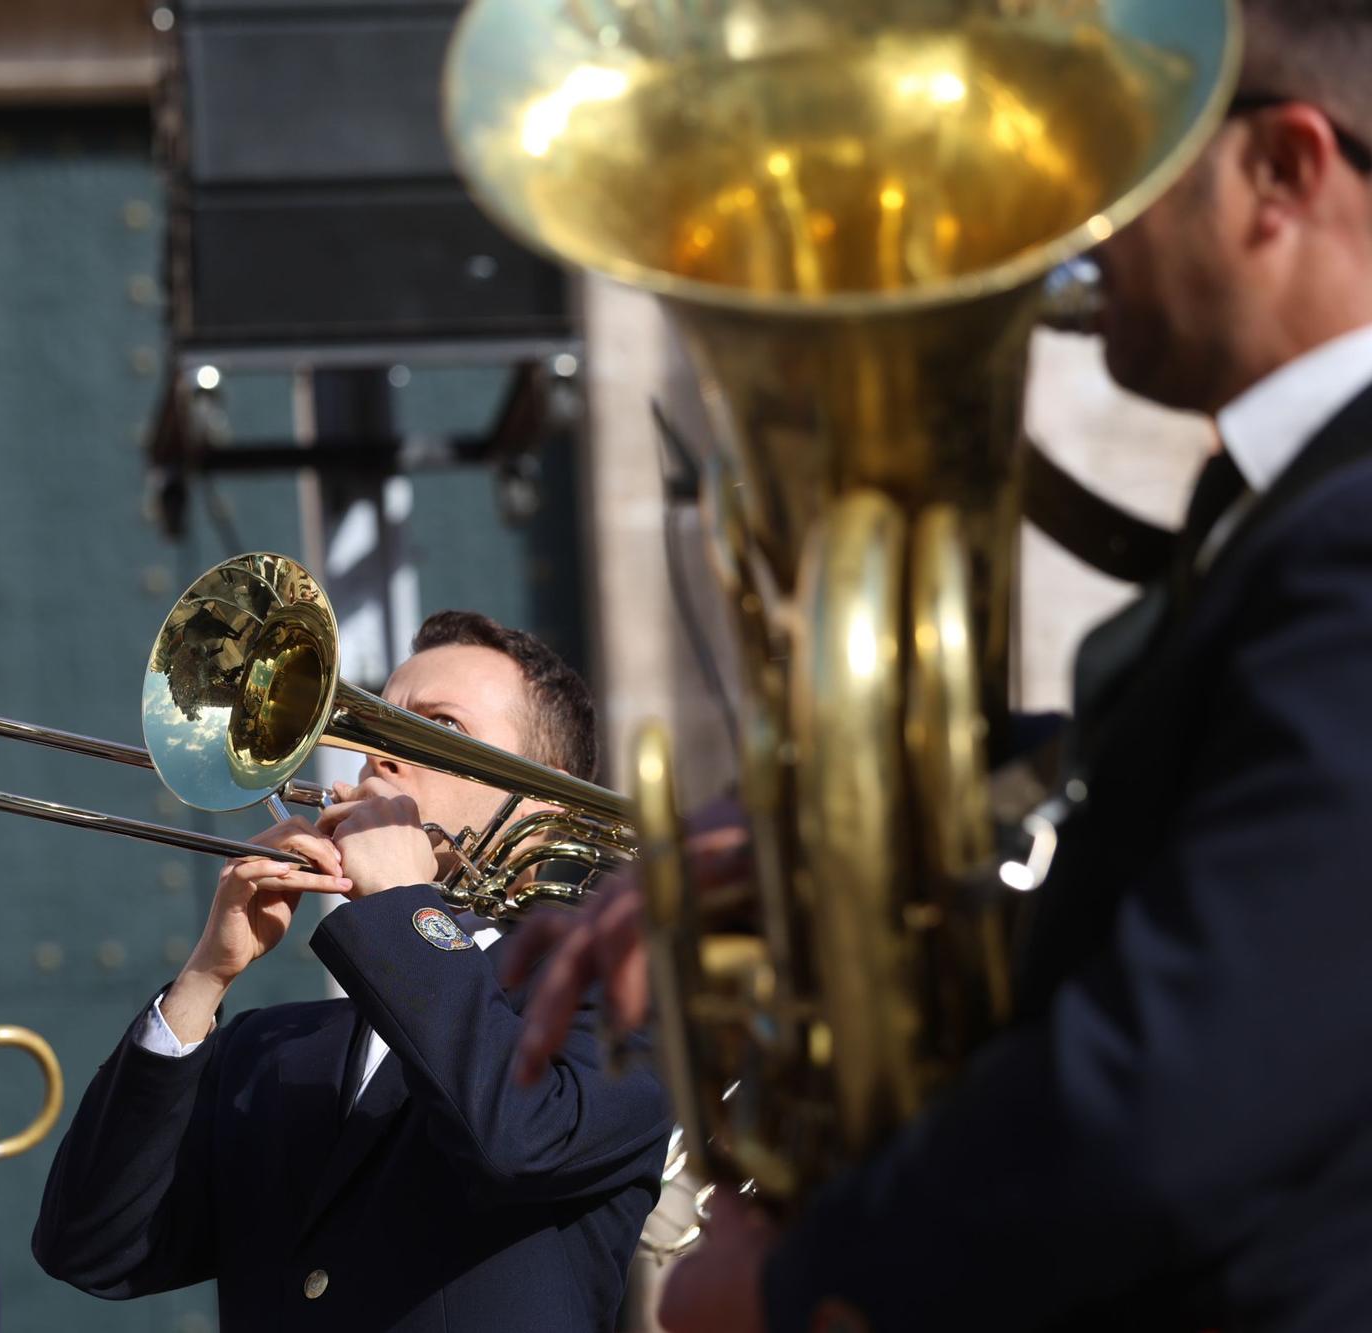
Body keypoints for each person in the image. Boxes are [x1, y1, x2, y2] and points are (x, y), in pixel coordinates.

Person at [513, 1, 1372, 1329]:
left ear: (1286, 173)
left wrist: (813, 1279)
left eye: (1125, 170)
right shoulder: (1289, 508)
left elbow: (1181, 1084)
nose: (1079, 227)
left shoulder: (1352, 531)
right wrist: (841, 842)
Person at [34, 610, 673, 1331]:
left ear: (544, 800)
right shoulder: (270, 1046)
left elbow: (515, 1137)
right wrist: (203, 982)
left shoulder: (630, 1005)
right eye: (379, 723)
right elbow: (91, 1245)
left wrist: (403, 904)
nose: (377, 754)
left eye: (442, 727)